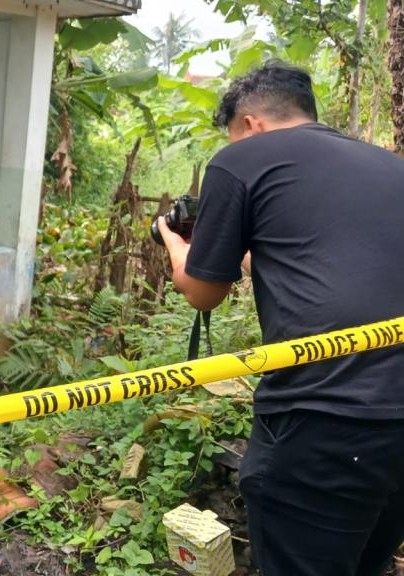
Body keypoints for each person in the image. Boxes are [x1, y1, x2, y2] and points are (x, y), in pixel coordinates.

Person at [157, 60, 404, 575]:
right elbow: (325, 258)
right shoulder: (389, 165)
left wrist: (179, 251)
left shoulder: (241, 159)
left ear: (248, 125)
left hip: (326, 416)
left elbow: (204, 295)